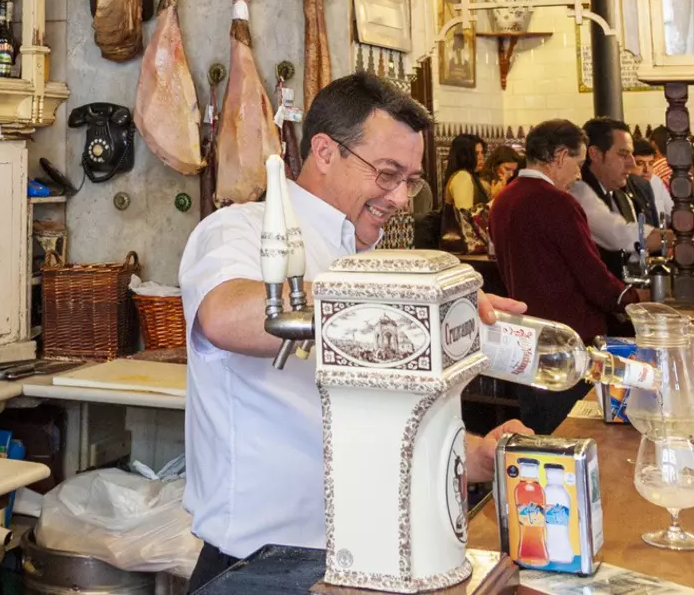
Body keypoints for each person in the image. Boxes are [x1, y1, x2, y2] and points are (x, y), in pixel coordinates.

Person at [179, 73, 527, 590]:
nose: (402, 198)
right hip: (263, 568)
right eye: (387, 174)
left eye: (410, 180)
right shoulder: (241, 229)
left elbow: (368, 418)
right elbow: (225, 317)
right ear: (323, 151)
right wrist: (407, 299)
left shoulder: (362, 260)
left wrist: (470, 455)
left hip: (367, 557)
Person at [489, 119, 640, 432]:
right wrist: (630, 299)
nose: (578, 174)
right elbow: (591, 274)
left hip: (527, 343)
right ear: (559, 156)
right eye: (578, 163)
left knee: (540, 433)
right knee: (574, 434)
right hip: (568, 344)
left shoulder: (503, 200)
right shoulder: (557, 202)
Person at [572, 118, 665, 275]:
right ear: (594, 154)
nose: (632, 163)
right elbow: (620, 235)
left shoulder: (619, 192)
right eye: (623, 155)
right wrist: (682, 239)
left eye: (631, 155)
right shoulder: (579, 191)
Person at [633, 136, 674, 221]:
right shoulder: (620, 186)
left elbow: (671, 214)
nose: (647, 170)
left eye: (651, 163)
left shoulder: (655, 181)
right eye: (640, 163)